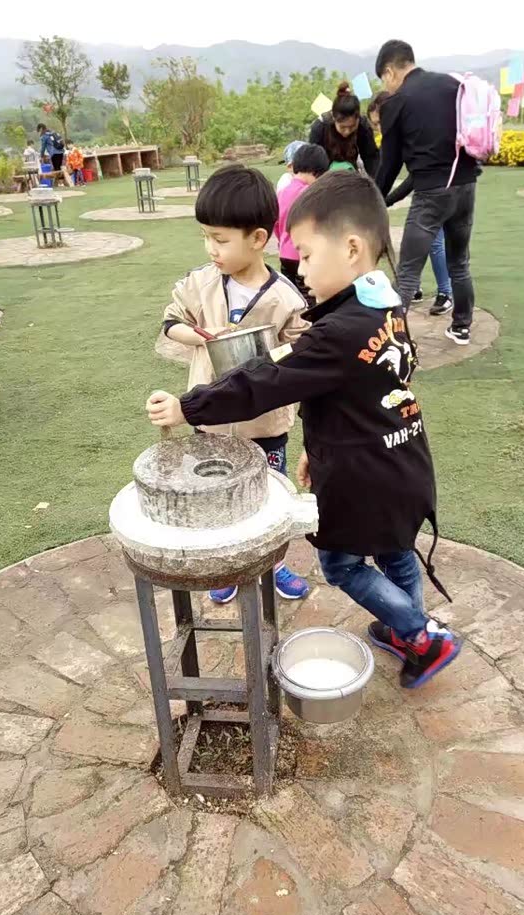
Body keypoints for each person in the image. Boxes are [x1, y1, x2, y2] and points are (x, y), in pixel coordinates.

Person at [147, 172, 461, 690]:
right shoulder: (385, 304)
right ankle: (408, 628)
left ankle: (421, 634)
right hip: (404, 464)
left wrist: (189, 406)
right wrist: (318, 450)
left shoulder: (335, 333)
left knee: (341, 566)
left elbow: (264, 382)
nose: (301, 268)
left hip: (364, 478)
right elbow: (362, 391)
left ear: (352, 249)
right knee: (396, 551)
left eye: (309, 255)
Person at [160, 164, 311, 605]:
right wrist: (202, 336)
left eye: (221, 239)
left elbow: (300, 355)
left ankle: (275, 564)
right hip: (208, 420)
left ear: (258, 238)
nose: (211, 248)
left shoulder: (286, 298)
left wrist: (274, 356)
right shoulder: (200, 283)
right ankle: (227, 567)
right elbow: (172, 322)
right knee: (215, 496)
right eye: (206, 237)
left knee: (269, 497)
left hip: (266, 425)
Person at [375, 40, 479, 345]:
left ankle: (390, 341)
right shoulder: (452, 85)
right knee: (459, 262)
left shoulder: (397, 102)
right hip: (466, 185)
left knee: (408, 271)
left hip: (431, 193)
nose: (386, 86)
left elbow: (390, 164)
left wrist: (375, 198)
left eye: (384, 79)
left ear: (390, 71)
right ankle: (462, 326)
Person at [369, 93, 452, 316]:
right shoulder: (401, 135)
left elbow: (411, 178)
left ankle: (446, 293)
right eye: (374, 125)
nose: (378, 129)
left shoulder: (416, 131)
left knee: (434, 241)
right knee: (417, 238)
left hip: (443, 186)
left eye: (379, 122)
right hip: (427, 188)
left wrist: (385, 199)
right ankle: (413, 287)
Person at [274, 143, 329, 307]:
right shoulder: (309, 194)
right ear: (316, 172)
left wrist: (282, 242)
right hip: (302, 256)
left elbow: (276, 224)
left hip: (284, 254)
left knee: (290, 298)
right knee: (308, 297)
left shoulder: (282, 191)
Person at [309, 82, 379, 176]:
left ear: (358, 119)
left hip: (351, 173)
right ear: (334, 119)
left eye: (352, 126)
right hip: (325, 175)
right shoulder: (320, 128)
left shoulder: (363, 126)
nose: (347, 132)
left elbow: (371, 159)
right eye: (342, 127)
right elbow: (314, 164)